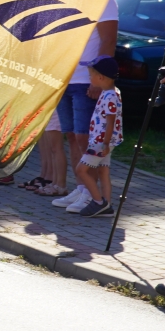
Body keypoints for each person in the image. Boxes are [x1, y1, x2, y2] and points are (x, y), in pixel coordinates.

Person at [51, 0, 119, 209]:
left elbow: (108, 39)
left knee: (86, 139)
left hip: (86, 81)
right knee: (72, 136)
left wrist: (99, 78)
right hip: (64, 80)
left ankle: (93, 195)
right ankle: (82, 189)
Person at [68, 58, 123, 217]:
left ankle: (98, 202)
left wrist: (105, 143)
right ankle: (107, 205)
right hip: (102, 141)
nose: (89, 78)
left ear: (101, 77)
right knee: (103, 171)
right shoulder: (111, 92)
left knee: (81, 170)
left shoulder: (110, 96)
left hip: (101, 142)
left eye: (91, 75)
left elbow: (111, 121)